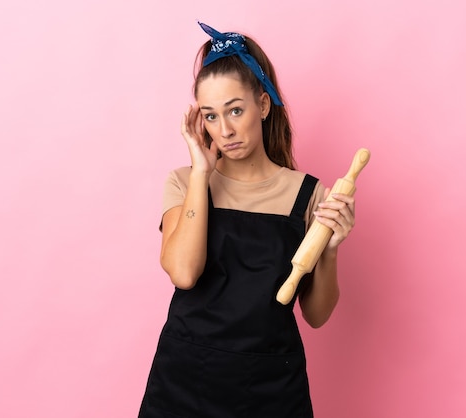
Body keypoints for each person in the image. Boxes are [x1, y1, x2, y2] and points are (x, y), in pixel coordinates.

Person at [138, 22, 356, 418]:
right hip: (184, 381)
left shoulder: (308, 195)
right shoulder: (184, 182)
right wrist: (202, 173)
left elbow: (317, 315)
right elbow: (184, 274)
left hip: (270, 389)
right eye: (210, 116)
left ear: (263, 105)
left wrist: (331, 249)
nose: (225, 131)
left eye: (235, 110)